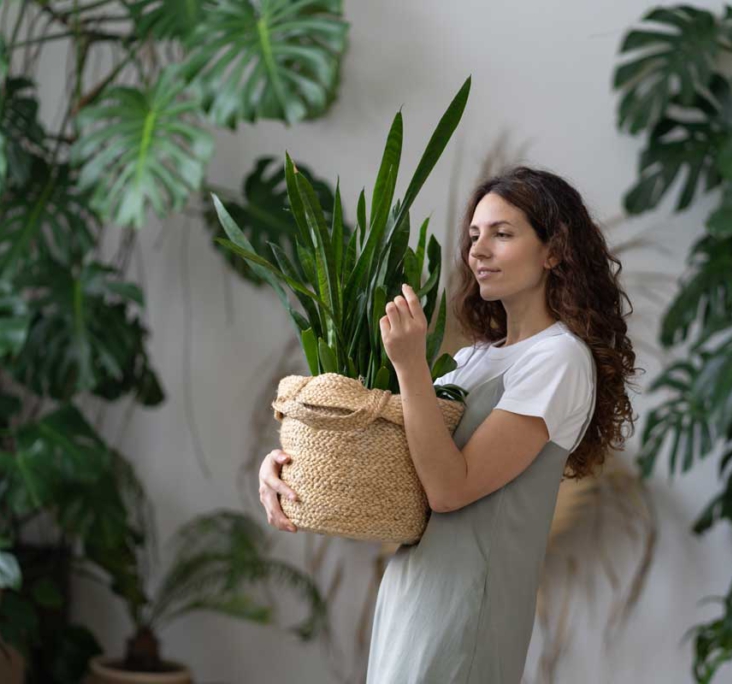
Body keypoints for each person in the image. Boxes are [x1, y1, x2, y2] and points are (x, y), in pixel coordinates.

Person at [257, 165, 640, 683]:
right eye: (474, 236)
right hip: (412, 594)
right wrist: (289, 467)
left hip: (468, 608)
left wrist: (410, 365)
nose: (478, 251)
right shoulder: (473, 362)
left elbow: (449, 489)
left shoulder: (560, 360)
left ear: (554, 251)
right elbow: (394, 468)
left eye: (502, 235)